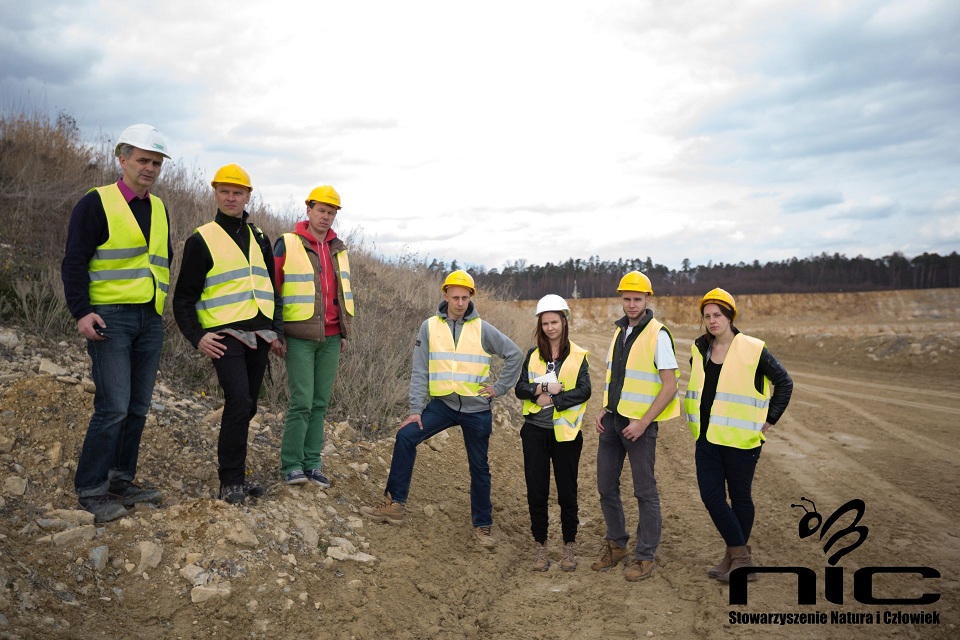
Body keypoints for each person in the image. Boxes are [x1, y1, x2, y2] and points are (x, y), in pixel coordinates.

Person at [361, 270, 522, 548]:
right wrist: (415, 409)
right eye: (455, 297)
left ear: (471, 297)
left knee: (479, 467)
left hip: (476, 409)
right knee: (406, 436)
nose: (460, 302)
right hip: (443, 405)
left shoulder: (483, 328)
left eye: (465, 297)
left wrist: (499, 388)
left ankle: (482, 526)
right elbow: (420, 369)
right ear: (445, 295)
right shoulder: (429, 327)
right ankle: (394, 504)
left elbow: (514, 354)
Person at [61, 124, 172, 523]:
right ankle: (91, 488)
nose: (149, 168)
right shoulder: (96, 203)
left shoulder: (158, 208)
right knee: (113, 406)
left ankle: (120, 481)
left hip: (149, 318)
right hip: (111, 318)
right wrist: (81, 311)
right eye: (143, 160)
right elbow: (74, 261)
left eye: (156, 162)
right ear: (121, 158)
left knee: (138, 408)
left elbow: (161, 260)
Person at [173, 163, 283, 505]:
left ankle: (239, 474)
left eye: (238, 192)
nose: (231, 197)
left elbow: (271, 289)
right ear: (216, 194)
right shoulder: (201, 239)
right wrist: (197, 337)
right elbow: (183, 299)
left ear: (249, 196)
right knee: (239, 402)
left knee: (248, 407)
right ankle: (230, 480)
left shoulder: (260, 237)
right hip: (224, 338)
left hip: (259, 336)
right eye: (225, 191)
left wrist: (276, 330)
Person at [684, 288, 793, 582]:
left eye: (717, 315)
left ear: (730, 316)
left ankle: (736, 559)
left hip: (741, 439)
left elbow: (784, 383)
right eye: (707, 316)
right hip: (707, 437)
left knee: (740, 497)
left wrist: (769, 419)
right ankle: (739, 556)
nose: (712, 321)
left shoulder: (754, 349)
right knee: (712, 497)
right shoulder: (700, 349)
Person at [592, 271, 680, 581]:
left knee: (645, 492)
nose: (631, 304)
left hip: (639, 427)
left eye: (637, 299)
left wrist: (643, 423)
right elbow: (617, 378)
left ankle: (645, 556)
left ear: (648, 299)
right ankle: (617, 546)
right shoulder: (619, 332)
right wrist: (605, 409)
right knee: (605, 487)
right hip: (614, 422)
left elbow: (669, 386)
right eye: (627, 299)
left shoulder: (658, 334)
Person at [273, 185, 354, 488]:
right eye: (321, 210)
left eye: (331, 212)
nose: (326, 216)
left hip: (332, 337)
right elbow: (274, 289)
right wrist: (277, 332)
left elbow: (343, 293)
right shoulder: (288, 243)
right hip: (299, 336)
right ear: (308, 210)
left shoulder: (338, 248)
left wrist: (344, 331)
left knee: (320, 403)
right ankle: (291, 465)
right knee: (302, 402)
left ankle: (312, 463)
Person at [514, 294, 591, 571]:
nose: (550, 327)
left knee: (567, 492)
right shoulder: (533, 355)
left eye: (554, 322)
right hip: (535, 432)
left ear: (564, 322)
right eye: (545, 323)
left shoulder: (579, 355)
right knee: (536, 491)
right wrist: (543, 390)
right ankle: (540, 547)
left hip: (566, 435)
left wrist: (556, 400)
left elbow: (585, 391)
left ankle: (568, 547)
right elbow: (520, 388)